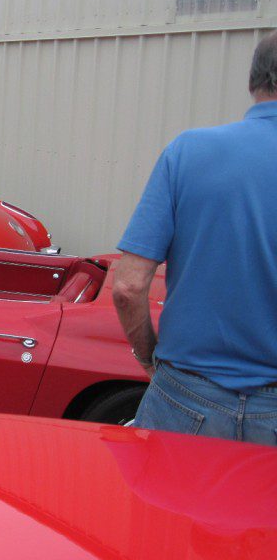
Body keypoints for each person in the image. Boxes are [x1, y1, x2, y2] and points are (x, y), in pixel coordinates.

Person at [113, 30, 277, 445]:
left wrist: (148, 358)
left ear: (253, 81)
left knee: (162, 492)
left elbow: (129, 287)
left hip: (185, 397)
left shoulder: (187, 152)